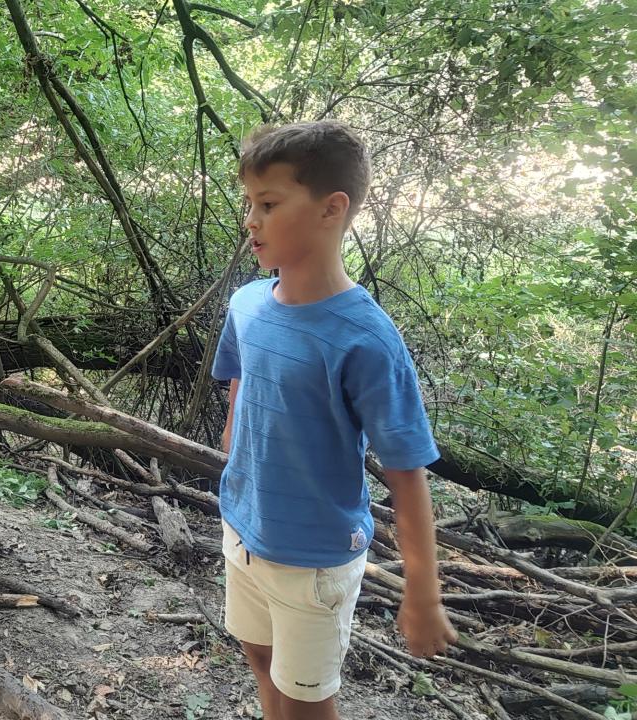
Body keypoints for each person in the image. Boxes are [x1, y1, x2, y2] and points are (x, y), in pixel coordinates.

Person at [211, 120, 456, 720]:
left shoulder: (364, 338)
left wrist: (423, 592)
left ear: (332, 208)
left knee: (306, 701)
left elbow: (406, 472)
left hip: (314, 559)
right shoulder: (247, 303)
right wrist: (236, 441)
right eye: (249, 204)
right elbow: (240, 375)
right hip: (243, 529)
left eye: (269, 204)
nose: (251, 221)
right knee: (260, 661)